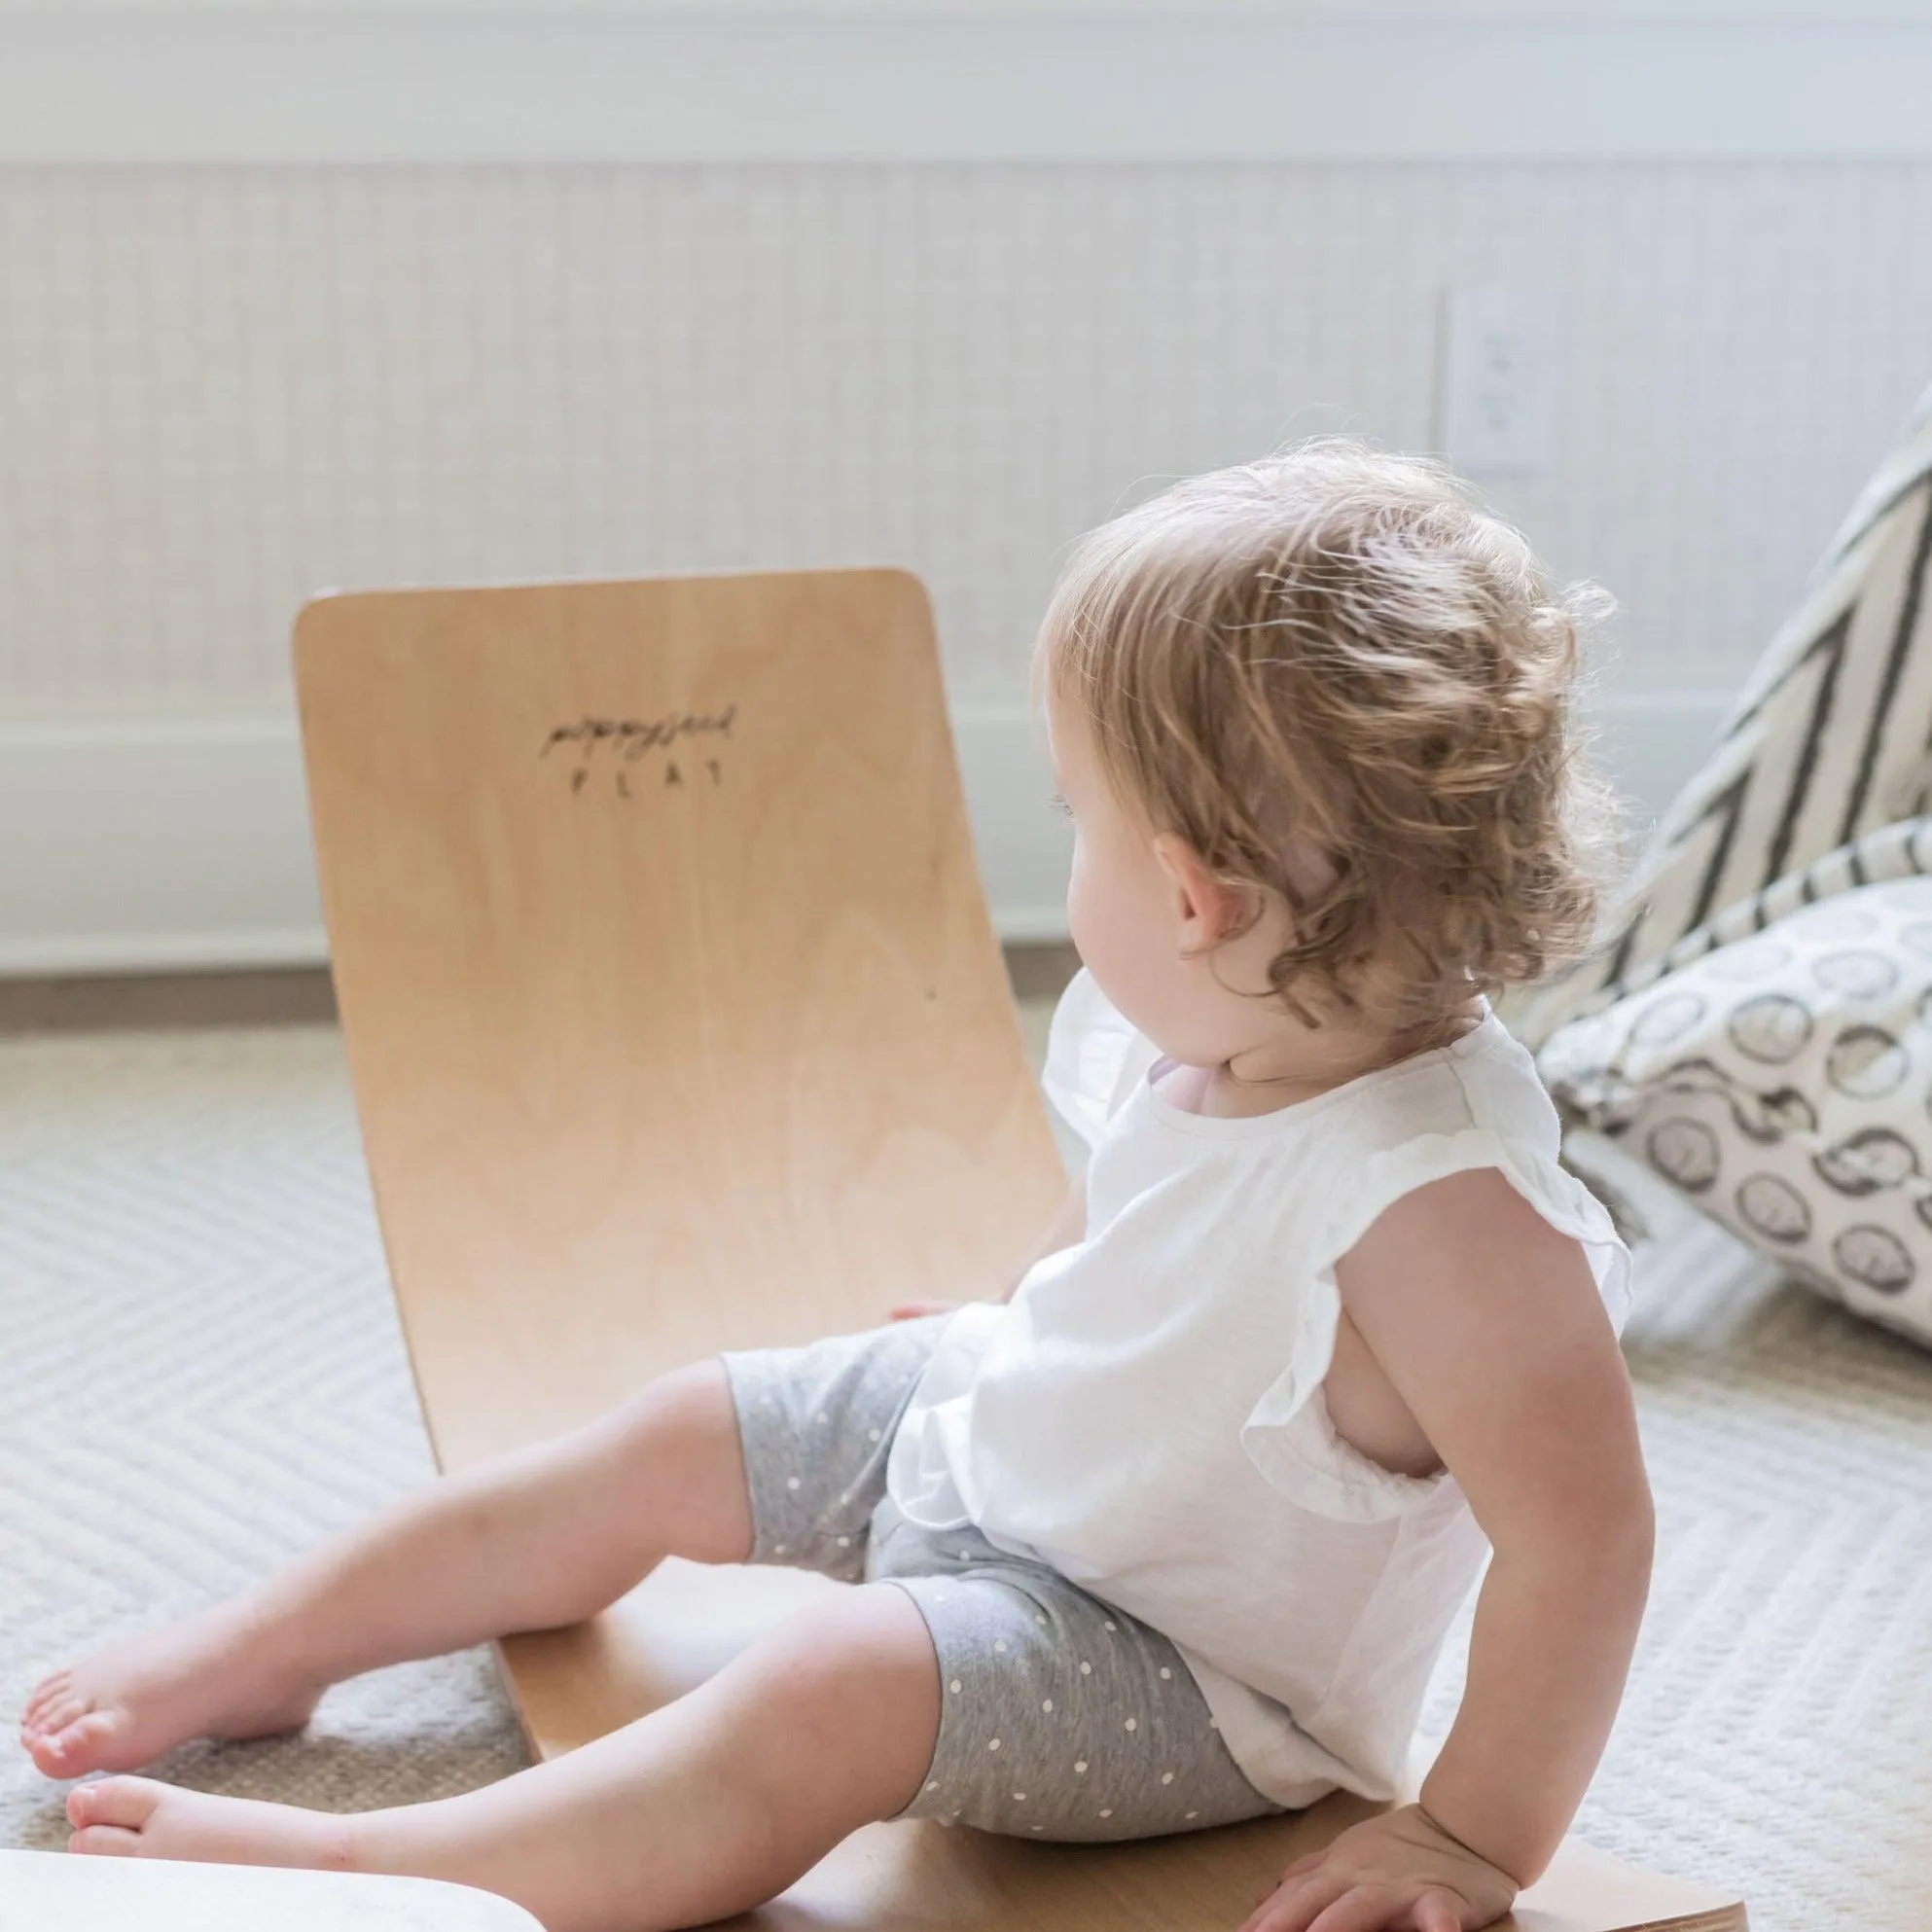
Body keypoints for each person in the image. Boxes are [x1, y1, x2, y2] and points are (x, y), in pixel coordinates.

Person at [23, 440, 1652, 1932]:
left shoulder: (1448, 1213)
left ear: (1191, 897)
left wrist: (1469, 1832)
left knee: (828, 1684)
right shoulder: (1246, 1024)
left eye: (1076, 817)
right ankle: (270, 1646)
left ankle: (384, 1860)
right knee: (675, 1424)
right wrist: (1015, 1317)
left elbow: (1585, 1540)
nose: (1066, 849)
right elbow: (1148, 1225)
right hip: (1012, 1438)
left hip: (1172, 1666)